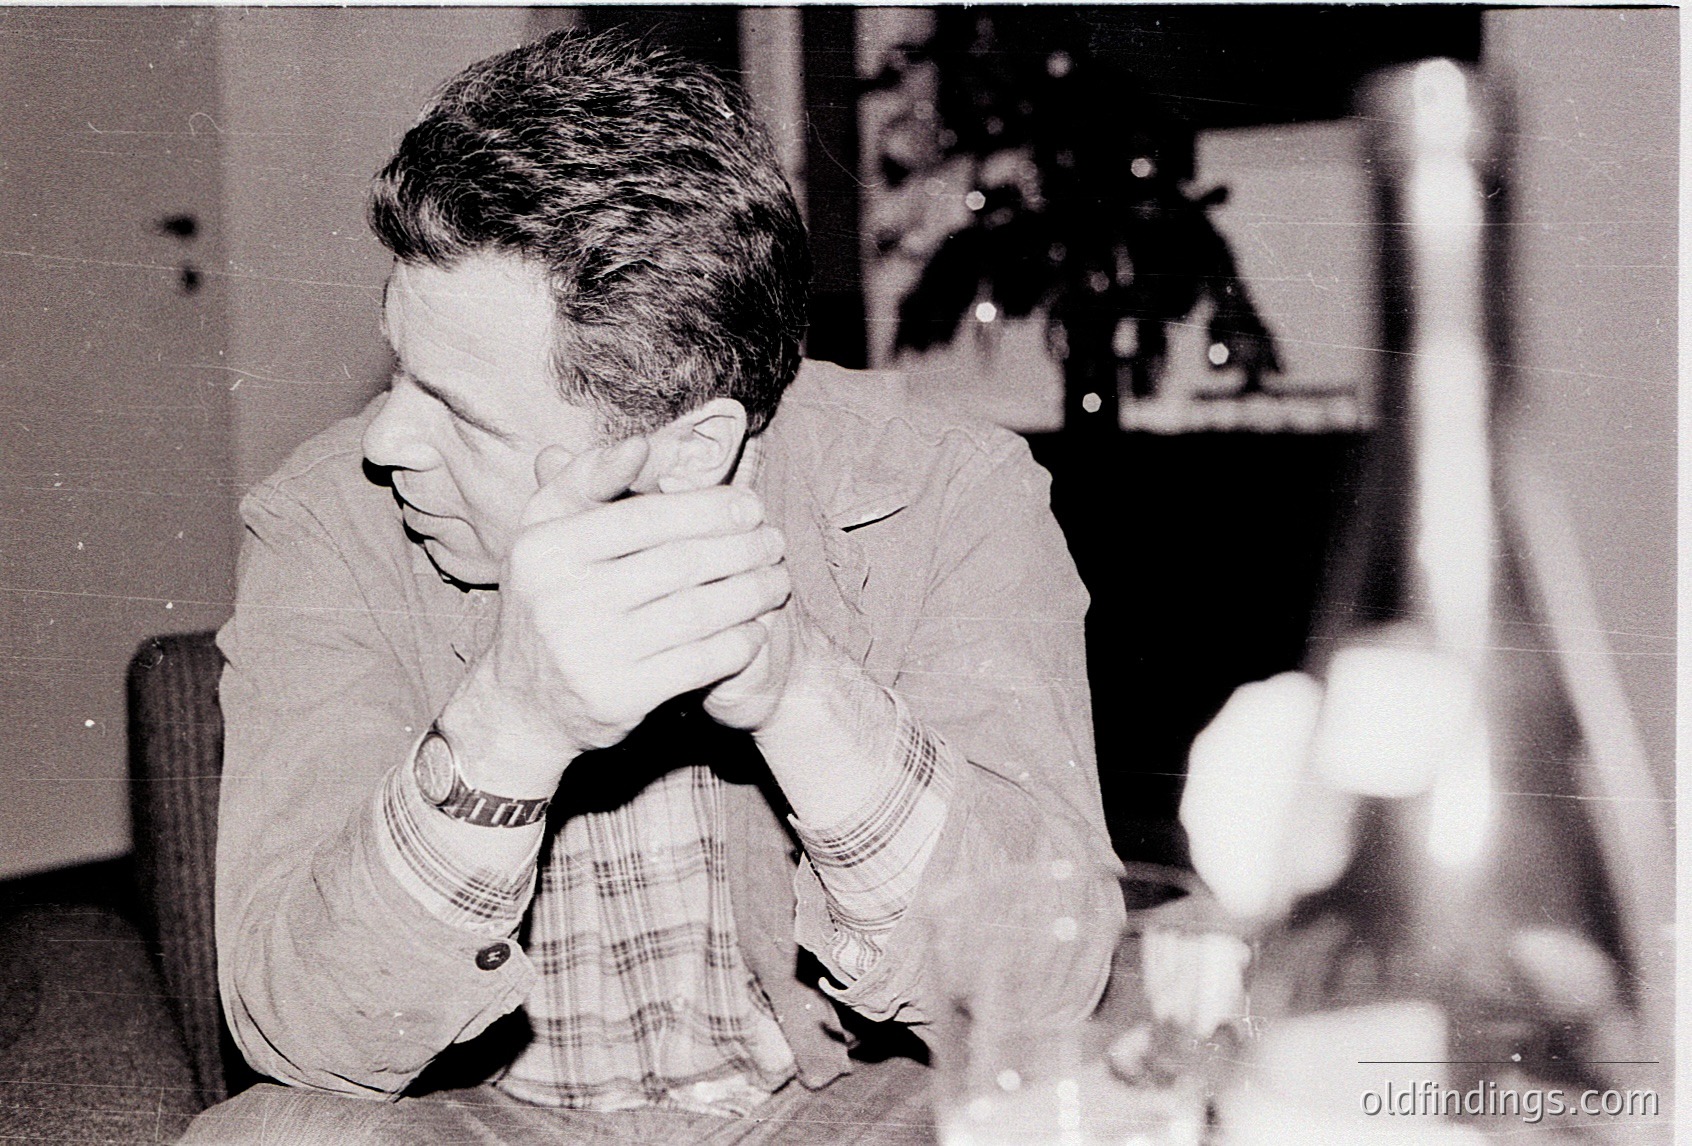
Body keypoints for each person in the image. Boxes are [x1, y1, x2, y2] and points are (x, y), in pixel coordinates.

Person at [183, 30, 1122, 1143]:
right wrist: (505, 727)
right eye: (398, 370)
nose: (387, 440)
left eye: (459, 411)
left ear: (685, 453)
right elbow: (300, 1034)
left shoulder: (944, 492)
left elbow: (1043, 983)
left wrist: (796, 690)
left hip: (840, 1110)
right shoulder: (328, 523)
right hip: (487, 1122)